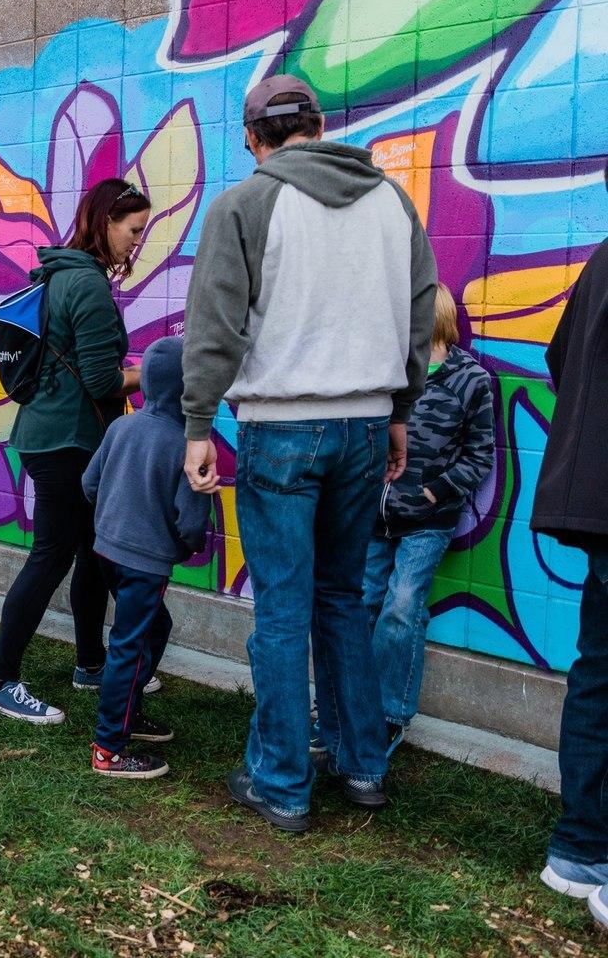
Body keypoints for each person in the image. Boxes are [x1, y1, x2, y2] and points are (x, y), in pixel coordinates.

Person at [182, 74, 437, 833]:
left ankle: (282, 780)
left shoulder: (246, 203)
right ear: (321, 125)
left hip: (282, 428)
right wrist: (399, 413)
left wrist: (199, 422)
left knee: (285, 607)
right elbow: (418, 313)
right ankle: (362, 766)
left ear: (255, 139)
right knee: (340, 600)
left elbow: (215, 323)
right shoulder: (392, 200)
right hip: (365, 425)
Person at [0, 178, 151, 724]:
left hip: (53, 435)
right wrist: (158, 371)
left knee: (93, 553)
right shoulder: (91, 287)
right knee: (52, 555)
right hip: (67, 442)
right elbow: (102, 382)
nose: (137, 242)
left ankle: (91, 664)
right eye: (133, 229)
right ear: (105, 223)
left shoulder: (60, 275)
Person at [353, 285, 495, 755]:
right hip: (374, 517)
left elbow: (480, 456)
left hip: (428, 521)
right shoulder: (388, 372)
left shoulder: (469, 379)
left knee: (403, 605)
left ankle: (391, 712)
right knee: (365, 603)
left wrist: (434, 492)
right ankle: (352, 705)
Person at [530, 167, 608, 931]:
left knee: (597, 672)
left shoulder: (600, 258)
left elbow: (559, 361)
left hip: (592, 499)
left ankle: (582, 845)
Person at [78, 336, 210, 778]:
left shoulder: (121, 427)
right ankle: (110, 749)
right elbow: (190, 524)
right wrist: (182, 546)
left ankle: (127, 715)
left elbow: (90, 485)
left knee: (155, 627)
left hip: (106, 552)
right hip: (145, 564)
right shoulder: (186, 446)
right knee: (129, 647)